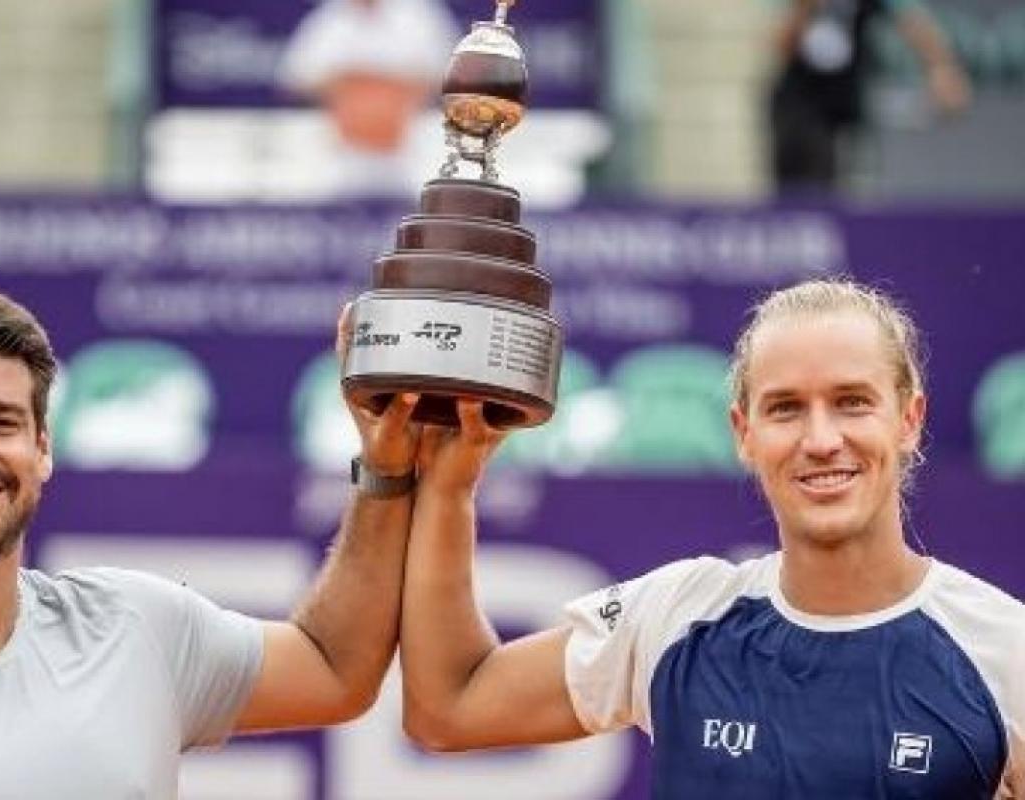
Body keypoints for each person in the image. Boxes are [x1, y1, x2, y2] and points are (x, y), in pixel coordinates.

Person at [396, 279, 1025, 797]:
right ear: (743, 432)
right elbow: (450, 707)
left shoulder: (1003, 649)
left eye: (852, 402)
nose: (822, 439)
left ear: (910, 419)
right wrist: (449, 488)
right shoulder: (680, 614)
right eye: (784, 409)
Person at [0, 285, 422, 799]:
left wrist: (384, 461)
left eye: (3, 423)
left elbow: (335, 668)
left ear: (43, 449)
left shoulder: (135, 627)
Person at [768, 0, 970, 193]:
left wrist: (941, 67)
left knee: (847, 181)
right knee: (800, 184)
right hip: (799, 103)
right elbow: (781, 46)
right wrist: (804, 9)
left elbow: (913, 21)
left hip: (845, 101)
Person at [276, 0, 459, 198]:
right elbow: (294, 79)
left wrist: (394, 89)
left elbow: (455, 78)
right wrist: (349, 84)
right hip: (341, 150)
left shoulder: (419, 14)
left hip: (412, 147)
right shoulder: (331, 17)